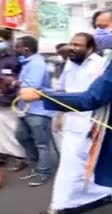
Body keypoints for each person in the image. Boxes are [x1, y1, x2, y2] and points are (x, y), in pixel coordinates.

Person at [19, 8, 112, 214]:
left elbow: (92, 97)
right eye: (95, 28)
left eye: (102, 27)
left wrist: (42, 95)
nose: (97, 33)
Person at [48, 33, 111, 213]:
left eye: (78, 45)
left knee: (73, 165)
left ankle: (61, 205)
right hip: (70, 122)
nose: (72, 48)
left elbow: (100, 97)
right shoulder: (69, 63)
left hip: (90, 122)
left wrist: (97, 123)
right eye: (71, 44)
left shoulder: (100, 65)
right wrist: (60, 115)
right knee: (74, 164)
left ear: (90, 49)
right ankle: (88, 197)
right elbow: (64, 90)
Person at [15, 36, 54, 187]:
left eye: (17, 47)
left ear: (26, 48)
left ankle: (43, 172)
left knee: (42, 144)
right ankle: (37, 165)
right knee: (21, 136)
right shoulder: (27, 63)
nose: (15, 49)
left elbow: (31, 86)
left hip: (38, 110)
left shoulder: (37, 64)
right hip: (25, 108)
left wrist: (14, 84)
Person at [0, 37, 24, 187]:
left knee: (14, 130)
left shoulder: (13, 60)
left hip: (10, 101)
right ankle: (4, 153)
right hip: (1, 101)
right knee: (2, 130)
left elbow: (16, 81)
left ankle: (20, 156)